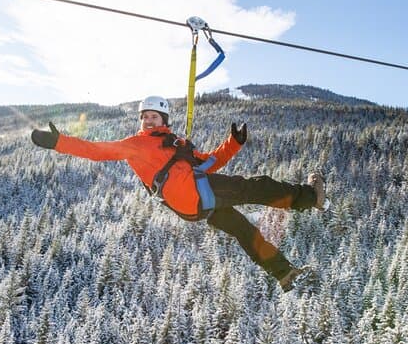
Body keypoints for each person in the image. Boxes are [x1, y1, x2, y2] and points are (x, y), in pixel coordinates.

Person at [31, 96, 326, 291]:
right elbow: (97, 151)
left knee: (243, 230)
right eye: (144, 117)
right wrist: (59, 142)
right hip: (194, 195)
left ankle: (283, 273)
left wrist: (233, 144)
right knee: (256, 186)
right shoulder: (138, 144)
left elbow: (210, 162)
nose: (148, 121)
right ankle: (310, 197)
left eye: (153, 117)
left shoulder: (177, 144)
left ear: (165, 119)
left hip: (193, 206)